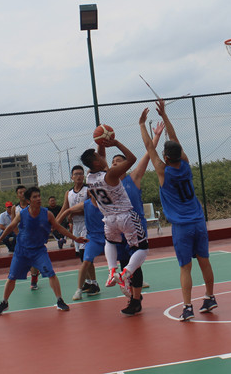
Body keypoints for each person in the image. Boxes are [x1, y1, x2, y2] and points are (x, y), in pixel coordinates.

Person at [139, 101, 217, 321]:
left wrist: (142, 124)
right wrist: (165, 114)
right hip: (198, 221)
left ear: (165, 157)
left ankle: (188, 307)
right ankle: (210, 297)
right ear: (179, 153)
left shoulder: (163, 171)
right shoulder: (186, 164)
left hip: (182, 226)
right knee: (204, 261)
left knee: (185, 267)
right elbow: (174, 139)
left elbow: (149, 147)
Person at [0, 186, 88, 314]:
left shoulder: (47, 214)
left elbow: (59, 227)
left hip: (38, 251)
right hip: (22, 251)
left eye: (39, 196)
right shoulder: (22, 214)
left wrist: (75, 238)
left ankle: (60, 300)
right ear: (29, 200)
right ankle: (4, 302)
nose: (38, 199)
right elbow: (10, 227)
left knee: (51, 274)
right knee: (11, 277)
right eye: (35, 197)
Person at [80, 135, 149, 300]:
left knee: (110, 243)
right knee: (142, 248)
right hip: (125, 216)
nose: (101, 156)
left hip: (109, 220)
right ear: (96, 162)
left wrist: (101, 143)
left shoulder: (89, 177)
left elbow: (100, 158)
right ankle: (125, 273)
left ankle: (112, 271)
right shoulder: (110, 174)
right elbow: (132, 159)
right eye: (98, 156)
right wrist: (116, 143)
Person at [107, 121, 164, 315]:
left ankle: (136, 301)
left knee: (134, 266)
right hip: (118, 229)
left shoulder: (133, 178)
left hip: (135, 227)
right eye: (113, 162)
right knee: (124, 266)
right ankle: (134, 297)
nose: (114, 164)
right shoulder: (109, 184)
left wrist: (156, 135)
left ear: (126, 165)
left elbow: (148, 153)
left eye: (118, 161)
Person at [56, 165, 94, 291]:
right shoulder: (69, 193)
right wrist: (55, 223)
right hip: (76, 226)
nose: (79, 176)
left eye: (81, 174)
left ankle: (94, 283)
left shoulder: (88, 190)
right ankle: (88, 281)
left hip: (86, 224)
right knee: (81, 256)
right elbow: (64, 209)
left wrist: (73, 212)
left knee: (85, 255)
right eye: (76, 174)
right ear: (72, 177)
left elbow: (91, 208)